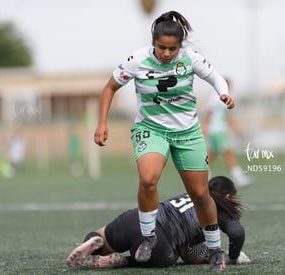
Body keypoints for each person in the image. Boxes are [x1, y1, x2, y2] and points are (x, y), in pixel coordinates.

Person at [93, 11, 234, 272]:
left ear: (180, 46)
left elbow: (216, 78)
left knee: (200, 194)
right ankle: (148, 237)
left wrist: (223, 93)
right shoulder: (138, 60)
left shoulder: (189, 59)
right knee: (148, 179)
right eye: (162, 48)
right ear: (153, 42)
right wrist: (102, 123)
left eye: (173, 48)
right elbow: (109, 88)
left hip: (187, 132)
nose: (167, 53)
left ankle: (215, 250)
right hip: (151, 128)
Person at [66, 176, 251, 269]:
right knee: (170, 258)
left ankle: (93, 243)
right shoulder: (218, 206)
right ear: (227, 196)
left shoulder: (191, 194)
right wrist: (233, 257)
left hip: (136, 218)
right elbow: (236, 233)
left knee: (102, 236)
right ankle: (122, 261)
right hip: (160, 241)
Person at [202, 78, 252, 188]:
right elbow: (208, 113)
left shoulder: (225, 98)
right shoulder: (215, 97)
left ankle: (204, 177)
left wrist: (236, 129)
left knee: (211, 155)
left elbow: (228, 117)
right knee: (227, 153)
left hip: (218, 130)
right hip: (216, 130)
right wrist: (204, 127)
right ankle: (238, 177)